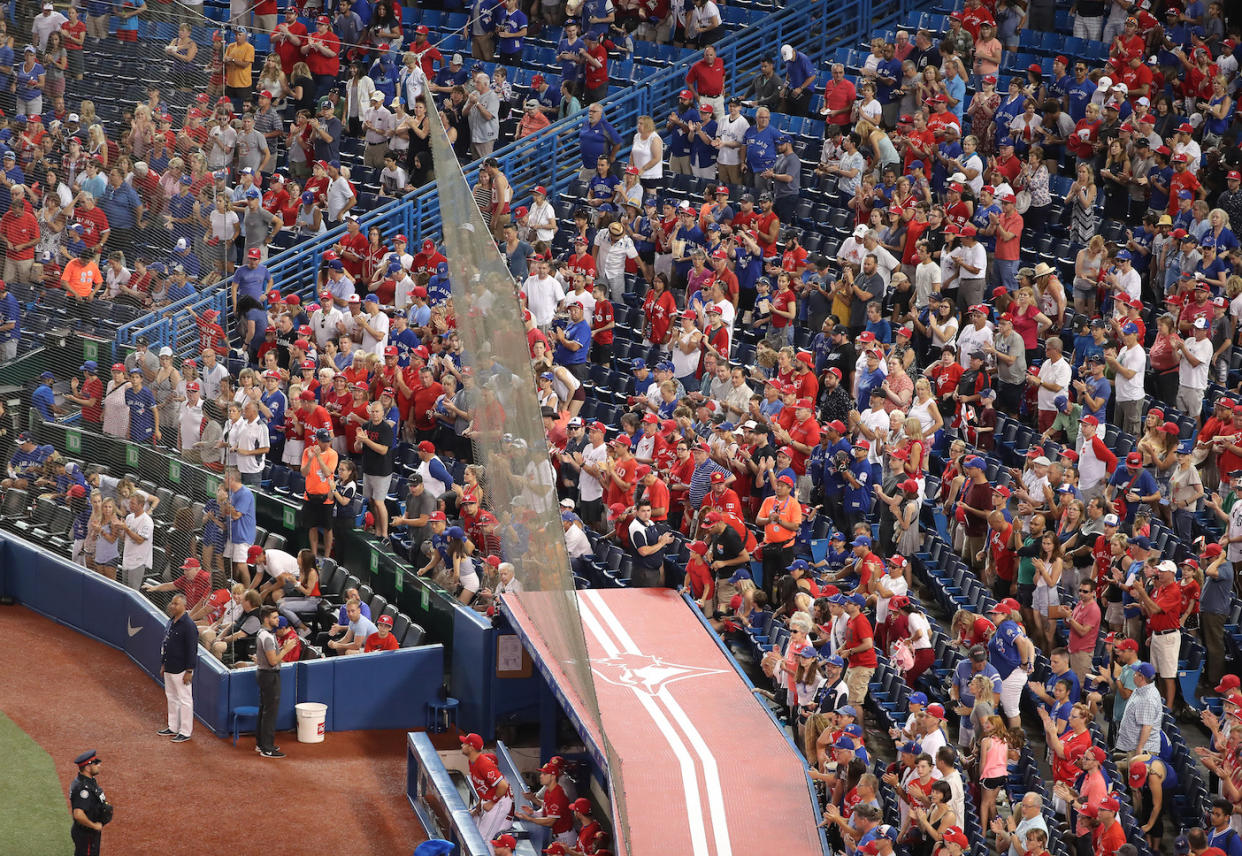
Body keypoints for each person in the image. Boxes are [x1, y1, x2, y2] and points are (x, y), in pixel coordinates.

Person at [154, 592, 197, 743]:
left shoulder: (189, 625)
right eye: (172, 603)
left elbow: (192, 650)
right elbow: (165, 644)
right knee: (171, 697)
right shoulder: (171, 621)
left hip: (182, 669)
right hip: (169, 666)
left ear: (184, 606)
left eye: (176, 604)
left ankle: (185, 731)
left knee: (185, 700)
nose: (172, 606)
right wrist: (163, 664)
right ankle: (173, 727)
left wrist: (189, 671)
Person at [460, 732, 513, 843]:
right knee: (476, 835)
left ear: (471, 747)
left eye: (464, 744)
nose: (461, 745)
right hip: (489, 801)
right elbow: (484, 787)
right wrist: (479, 803)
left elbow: (503, 786)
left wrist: (492, 802)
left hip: (499, 804)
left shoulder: (484, 764)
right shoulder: (472, 762)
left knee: (483, 840)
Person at [254, 605, 284, 758]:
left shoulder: (263, 633)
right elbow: (273, 661)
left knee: (264, 710)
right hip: (269, 676)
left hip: (263, 675)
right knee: (270, 713)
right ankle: (267, 748)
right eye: (274, 617)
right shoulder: (267, 636)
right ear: (266, 619)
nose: (277, 620)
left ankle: (261, 744)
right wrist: (287, 649)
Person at [69, 750, 111, 856]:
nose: (99, 765)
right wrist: (93, 826)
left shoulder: (88, 781)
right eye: (95, 764)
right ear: (88, 768)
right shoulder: (83, 789)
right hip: (86, 834)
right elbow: (78, 814)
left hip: (87, 833)